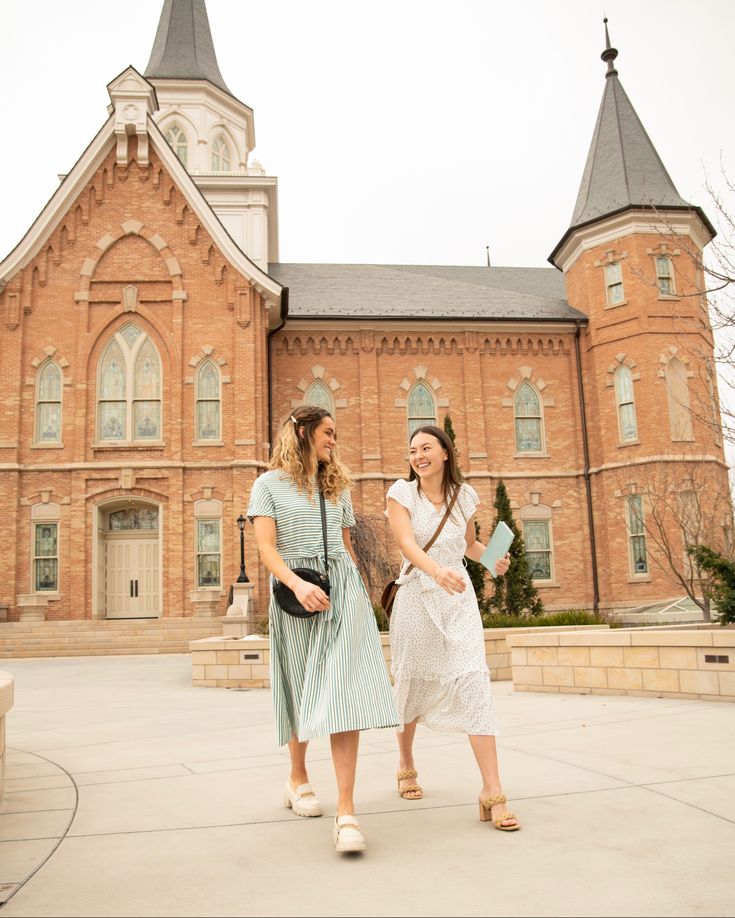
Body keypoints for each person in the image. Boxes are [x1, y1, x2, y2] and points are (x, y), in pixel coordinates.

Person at [247, 405, 398, 854]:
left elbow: (349, 549)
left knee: (343, 692)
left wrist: (357, 599)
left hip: (341, 594)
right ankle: (297, 777)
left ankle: (347, 813)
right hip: (295, 595)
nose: (334, 440)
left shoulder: (338, 487)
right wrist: (295, 582)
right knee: (301, 687)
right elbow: (265, 548)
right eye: (328, 433)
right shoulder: (266, 485)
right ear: (302, 432)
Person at [385, 425, 520, 831]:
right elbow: (407, 544)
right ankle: (406, 762)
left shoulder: (464, 497)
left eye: (426, 447)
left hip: (457, 599)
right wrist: (435, 571)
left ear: (445, 453)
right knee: (411, 682)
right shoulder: (401, 494)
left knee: (474, 683)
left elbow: (468, 545)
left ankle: (492, 791)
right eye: (412, 450)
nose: (418, 455)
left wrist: (492, 560)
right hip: (416, 597)